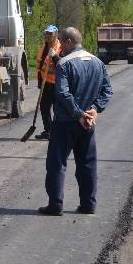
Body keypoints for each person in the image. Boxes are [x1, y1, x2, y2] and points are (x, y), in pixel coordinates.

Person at [40, 26, 112, 217]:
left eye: (62, 42)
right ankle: (88, 204)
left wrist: (79, 113)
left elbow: (62, 93)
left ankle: (55, 204)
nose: (60, 47)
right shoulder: (98, 62)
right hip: (87, 123)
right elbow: (107, 91)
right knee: (87, 163)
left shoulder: (64, 64)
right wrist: (94, 110)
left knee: (57, 163)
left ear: (69, 42)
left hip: (66, 122)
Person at [35, 25, 61, 140]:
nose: (48, 36)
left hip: (59, 84)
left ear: (56, 34)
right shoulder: (43, 49)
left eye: (50, 34)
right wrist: (40, 83)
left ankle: (57, 132)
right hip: (46, 84)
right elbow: (40, 67)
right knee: (44, 108)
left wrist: (55, 56)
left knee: (58, 109)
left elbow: (63, 65)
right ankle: (48, 130)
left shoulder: (61, 48)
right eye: (47, 33)